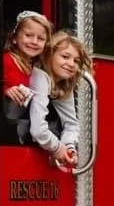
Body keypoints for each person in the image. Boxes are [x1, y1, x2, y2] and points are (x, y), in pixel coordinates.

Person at [28, 31, 90, 170]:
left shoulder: (63, 84)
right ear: (49, 54)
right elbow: (38, 130)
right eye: (65, 57)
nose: (71, 64)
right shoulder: (39, 76)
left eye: (76, 61)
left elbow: (72, 124)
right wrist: (57, 148)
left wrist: (69, 147)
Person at [2, 10, 52, 135]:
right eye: (28, 35)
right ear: (14, 38)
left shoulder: (35, 69)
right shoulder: (6, 60)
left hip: (20, 125)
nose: (34, 42)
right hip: (5, 125)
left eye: (40, 38)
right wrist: (5, 90)